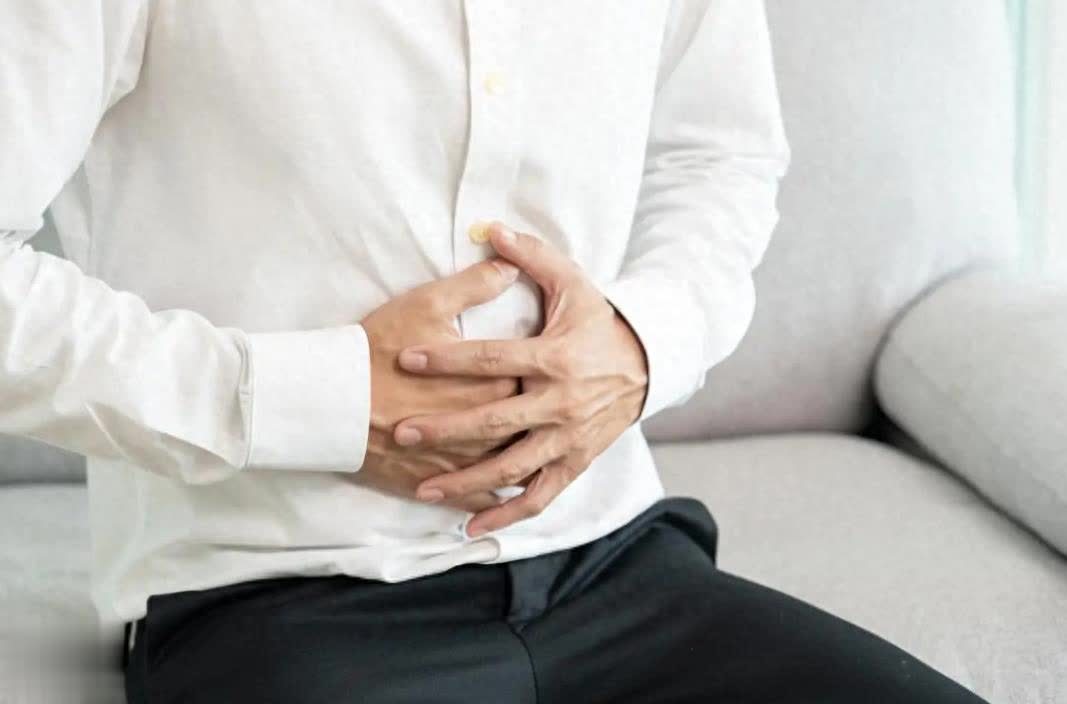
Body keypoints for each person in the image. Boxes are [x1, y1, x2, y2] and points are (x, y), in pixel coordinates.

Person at [1, 1, 989, 701]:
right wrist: (315, 402)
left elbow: (718, 157)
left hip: (616, 562)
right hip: (268, 595)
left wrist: (639, 346)